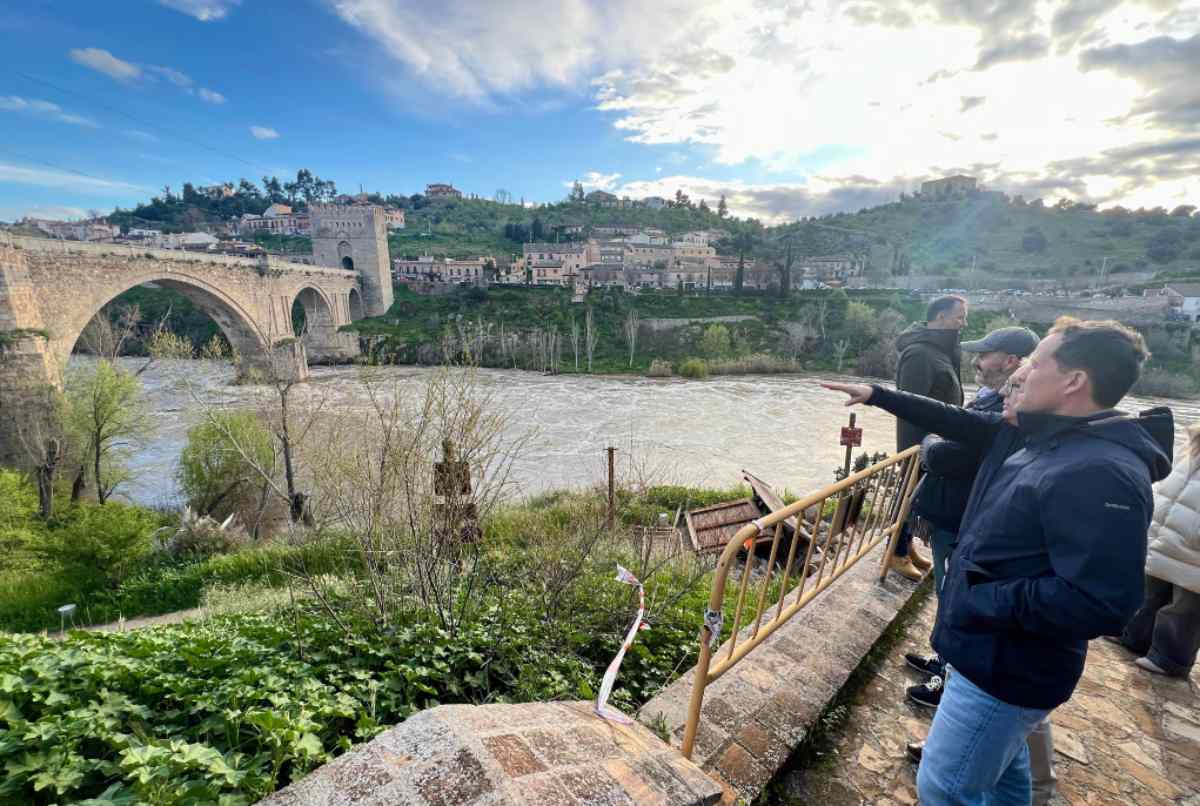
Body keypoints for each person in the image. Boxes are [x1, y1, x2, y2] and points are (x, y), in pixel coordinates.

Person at [823, 316, 1173, 806]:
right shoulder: (1057, 440)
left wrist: (981, 599)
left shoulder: (1100, 471)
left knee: (944, 787)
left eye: (1036, 363)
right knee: (1011, 778)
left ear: (1073, 382)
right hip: (995, 654)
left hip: (1002, 664)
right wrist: (879, 394)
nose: (1023, 374)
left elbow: (1102, 602)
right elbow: (962, 424)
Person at [903, 326, 1038, 709]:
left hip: (960, 516)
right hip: (951, 513)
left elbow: (946, 455)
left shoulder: (1004, 412)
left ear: (1011, 361)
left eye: (985, 354)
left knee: (953, 596)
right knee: (946, 593)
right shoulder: (989, 401)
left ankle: (947, 677)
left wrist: (929, 442)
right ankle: (943, 660)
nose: (976, 360)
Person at [1110, 423, 1200, 678]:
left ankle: (1170, 658)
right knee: (1150, 590)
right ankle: (1134, 636)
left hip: (1193, 544)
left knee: (1186, 606)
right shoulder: (1192, 442)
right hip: (1169, 530)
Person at [888, 294, 968, 581]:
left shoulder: (943, 351)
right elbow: (909, 406)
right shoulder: (919, 354)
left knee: (918, 497)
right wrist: (915, 451)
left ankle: (907, 546)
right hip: (920, 444)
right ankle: (895, 553)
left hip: (937, 442)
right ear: (941, 317)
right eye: (959, 317)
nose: (964, 323)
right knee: (908, 495)